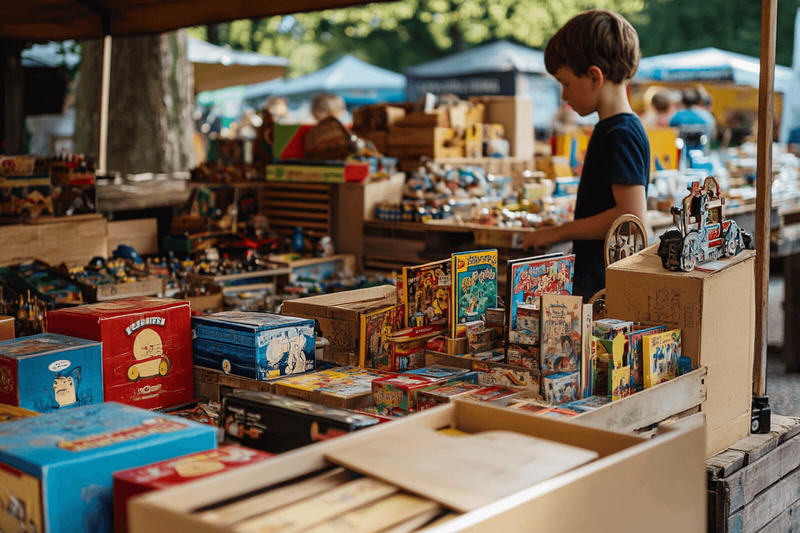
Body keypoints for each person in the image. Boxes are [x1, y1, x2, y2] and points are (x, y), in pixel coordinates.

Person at [524, 10, 650, 301]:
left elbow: (630, 215)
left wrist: (556, 232)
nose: (564, 96)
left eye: (565, 83)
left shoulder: (621, 133)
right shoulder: (614, 128)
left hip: (601, 290)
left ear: (595, 76)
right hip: (596, 279)